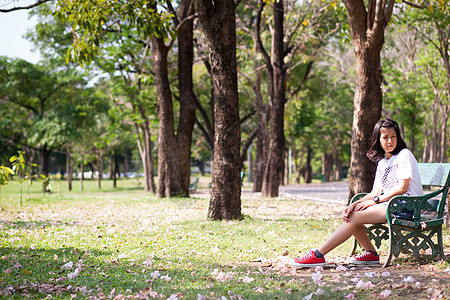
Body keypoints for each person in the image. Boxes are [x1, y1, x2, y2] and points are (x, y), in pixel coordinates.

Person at [291, 119, 423, 267]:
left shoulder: (404, 154)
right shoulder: (382, 162)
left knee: (354, 217)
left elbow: (402, 188)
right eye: (385, 137)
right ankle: (370, 254)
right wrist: (354, 204)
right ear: (378, 140)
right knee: (351, 214)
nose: (390, 141)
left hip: (408, 206)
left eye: (393, 136)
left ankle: (318, 254)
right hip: (391, 204)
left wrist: (375, 201)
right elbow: (375, 191)